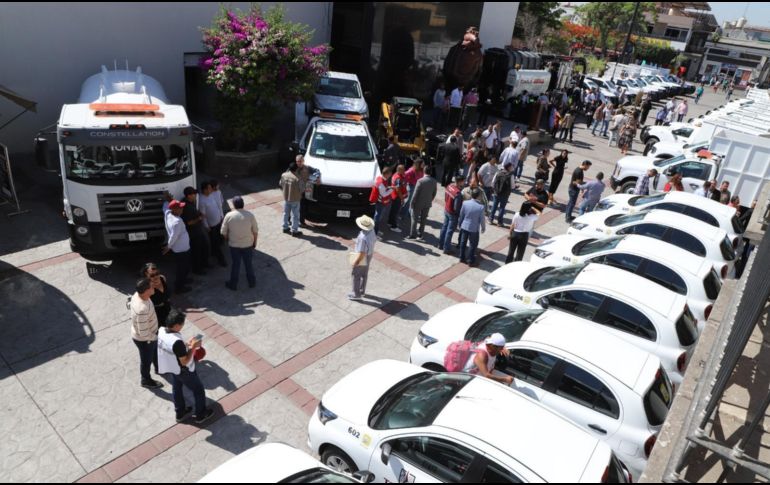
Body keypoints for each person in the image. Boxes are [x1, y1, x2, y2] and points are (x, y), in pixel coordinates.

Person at [157, 309, 214, 424]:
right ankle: (201, 415)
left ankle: (180, 412)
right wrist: (193, 347)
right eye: (182, 324)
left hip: (171, 366)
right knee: (198, 390)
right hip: (183, 370)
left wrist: (186, 345)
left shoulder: (162, 330)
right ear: (177, 325)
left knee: (176, 388)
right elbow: (184, 361)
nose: (183, 325)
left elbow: (172, 348)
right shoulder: (176, 342)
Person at [221, 196, 258, 291]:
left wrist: (228, 239)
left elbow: (223, 232)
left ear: (233, 205)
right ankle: (252, 282)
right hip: (248, 245)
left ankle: (233, 284)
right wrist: (255, 242)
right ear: (243, 204)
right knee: (248, 264)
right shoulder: (250, 215)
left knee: (235, 265)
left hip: (234, 246)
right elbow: (255, 231)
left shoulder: (229, 215)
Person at [130, 277, 162, 389]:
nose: (154, 287)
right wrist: (155, 337)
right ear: (146, 290)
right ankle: (146, 380)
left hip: (148, 337)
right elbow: (144, 334)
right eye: (151, 286)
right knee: (146, 361)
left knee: (154, 352)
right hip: (145, 340)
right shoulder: (142, 309)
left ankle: (159, 368)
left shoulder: (136, 295)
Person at [162, 200, 192, 294]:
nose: (182, 208)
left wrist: (168, 198)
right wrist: (168, 247)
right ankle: (179, 287)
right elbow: (173, 236)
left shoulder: (167, 213)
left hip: (178, 249)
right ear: (174, 209)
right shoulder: (177, 222)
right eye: (180, 207)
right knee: (182, 269)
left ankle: (183, 280)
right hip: (182, 249)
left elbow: (165, 205)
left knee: (183, 267)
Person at [180, 187, 210, 275]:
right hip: (193, 234)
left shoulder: (190, 202)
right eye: (194, 194)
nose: (195, 195)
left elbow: (195, 213)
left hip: (198, 230)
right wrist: (199, 218)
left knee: (204, 248)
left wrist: (199, 214)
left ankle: (204, 264)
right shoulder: (186, 206)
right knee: (196, 252)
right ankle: (197, 269)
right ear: (189, 195)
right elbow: (189, 223)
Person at [198, 181, 227, 268]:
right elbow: (203, 215)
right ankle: (221, 260)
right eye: (209, 188)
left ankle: (214, 253)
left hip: (218, 222)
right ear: (205, 190)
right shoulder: (201, 200)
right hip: (212, 227)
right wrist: (206, 226)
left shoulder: (211, 195)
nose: (211, 189)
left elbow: (218, 205)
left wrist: (221, 216)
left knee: (218, 241)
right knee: (215, 243)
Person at [349, 215, 376, 301]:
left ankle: (356, 294)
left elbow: (361, 253)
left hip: (361, 256)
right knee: (364, 273)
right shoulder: (372, 231)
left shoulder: (362, 237)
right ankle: (362, 290)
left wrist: (355, 262)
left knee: (356, 274)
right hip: (369, 254)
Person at [407, 165, 438, 240]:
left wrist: (411, 203)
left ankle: (412, 235)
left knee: (414, 219)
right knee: (423, 219)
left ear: (424, 171)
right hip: (427, 203)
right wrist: (430, 200)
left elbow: (415, 194)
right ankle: (420, 234)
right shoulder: (434, 181)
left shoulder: (420, 181)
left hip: (418, 203)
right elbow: (434, 193)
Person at [458, 188, 486, 266]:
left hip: (464, 226)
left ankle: (461, 257)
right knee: (473, 245)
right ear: (478, 196)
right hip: (474, 229)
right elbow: (482, 219)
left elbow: (461, 215)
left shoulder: (465, 203)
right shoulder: (481, 207)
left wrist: (460, 224)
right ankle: (470, 260)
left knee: (463, 243)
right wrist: (483, 228)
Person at [438, 174, 465, 254]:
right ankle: (446, 249)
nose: (464, 183)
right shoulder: (458, 193)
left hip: (446, 209)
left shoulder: (449, 186)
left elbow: (445, 197)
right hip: (453, 214)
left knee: (444, 227)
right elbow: (456, 208)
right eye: (463, 181)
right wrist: (459, 214)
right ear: (460, 182)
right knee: (449, 231)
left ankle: (440, 244)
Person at [141, 263, 171, 327]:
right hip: (157, 314)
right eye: (152, 275)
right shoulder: (147, 288)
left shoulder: (162, 278)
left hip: (167, 308)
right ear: (146, 276)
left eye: (157, 273)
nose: (156, 277)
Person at [296, 154, 321, 227]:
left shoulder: (307, 168)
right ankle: (290, 221)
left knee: (303, 207)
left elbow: (316, 171)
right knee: (294, 206)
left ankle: (301, 221)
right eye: (297, 161)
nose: (298, 163)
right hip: (295, 191)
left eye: (300, 161)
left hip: (303, 191)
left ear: (303, 161)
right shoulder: (293, 167)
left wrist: (317, 177)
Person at [279, 162, 302, 236]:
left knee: (286, 213)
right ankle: (294, 231)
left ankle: (285, 227)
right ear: (296, 169)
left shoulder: (283, 175)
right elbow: (302, 188)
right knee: (295, 215)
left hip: (286, 197)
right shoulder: (297, 178)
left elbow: (280, 184)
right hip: (295, 199)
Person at [372, 166, 396, 235]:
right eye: (389, 175)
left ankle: (375, 231)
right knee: (378, 218)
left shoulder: (380, 178)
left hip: (380, 202)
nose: (390, 176)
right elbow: (384, 194)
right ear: (386, 174)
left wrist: (389, 187)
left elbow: (383, 189)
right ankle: (374, 233)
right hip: (380, 202)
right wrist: (392, 189)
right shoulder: (381, 183)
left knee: (378, 217)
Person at [489, 162, 514, 227]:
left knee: (494, 206)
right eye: (511, 166)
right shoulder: (511, 175)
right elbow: (512, 186)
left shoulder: (498, 172)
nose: (512, 168)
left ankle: (490, 219)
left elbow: (492, 182)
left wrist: (495, 189)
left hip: (497, 193)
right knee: (502, 207)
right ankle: (499, 222)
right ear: (508, 167)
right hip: (505, 194)